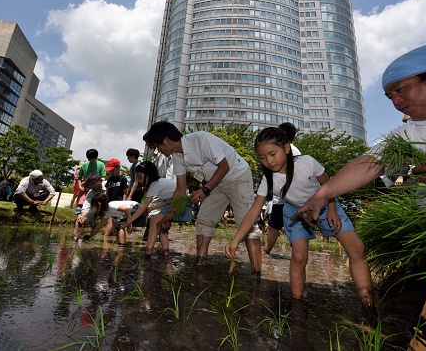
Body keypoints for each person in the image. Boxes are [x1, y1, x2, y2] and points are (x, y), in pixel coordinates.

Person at [295, 44, 426, 225]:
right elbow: (370, 162)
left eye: (400, 89)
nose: (395, 100)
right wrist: (322, 195)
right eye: (389, 96)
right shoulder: (410, 133)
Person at [224, 127, 375, 314]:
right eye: (262, 157)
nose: (269, 161)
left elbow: (329, 185)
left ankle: (367, 301)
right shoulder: (268, 179)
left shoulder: (307, 163)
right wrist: (236, 239)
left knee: (357, 247)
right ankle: (297, 302)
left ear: (286, 148)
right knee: (299, 256)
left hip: (325, 203)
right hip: (293, 210)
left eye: (272, 154)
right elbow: (254, 210)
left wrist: (333, 209)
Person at [146, 121, 262, 271]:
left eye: (157, 147)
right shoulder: (177, 157)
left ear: (166, 140)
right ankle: (200, 263)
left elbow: (224, 166)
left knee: (248, 225)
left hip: (237, 176)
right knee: (204, 221)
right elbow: (180, 188)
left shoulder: (201, 139)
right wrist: (169, 215)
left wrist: (205, 190)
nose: (159, 151)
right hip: (215, 183)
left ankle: (256, 273)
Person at [120, 161, 179, 257]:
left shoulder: (154, 184)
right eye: (137, 178)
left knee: (153, 221)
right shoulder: (160, 183)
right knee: (162, 226)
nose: (139, 181)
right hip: (177, 201)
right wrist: (152, 208)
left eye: (140, 177)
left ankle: (148, 251)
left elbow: (143, 207)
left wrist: (128, 222)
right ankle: (166, 252)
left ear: (148, 175)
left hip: (179, 201)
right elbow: (165, 201)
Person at [264, 122, 301, 255]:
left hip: (290, 198)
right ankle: (266, 251)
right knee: (274, 226)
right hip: (280, 198)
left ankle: (298, 254)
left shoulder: (293, 151)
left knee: (294, 227)